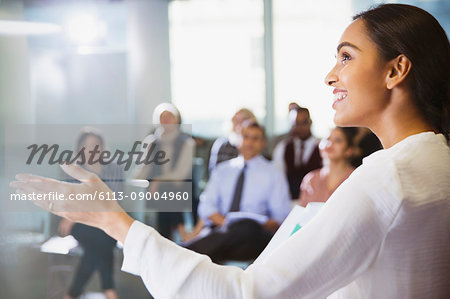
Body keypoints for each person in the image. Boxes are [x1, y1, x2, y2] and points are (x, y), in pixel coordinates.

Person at [12, 4, 450, 298]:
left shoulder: (385, 181)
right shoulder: (435, 162)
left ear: (396, 70)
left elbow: (244, 294)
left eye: (347, 57)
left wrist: (117, 222)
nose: (330, 75)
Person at [186, 121, 291, 262]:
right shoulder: (222, 170)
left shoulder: (274, 174)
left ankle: (185, 252)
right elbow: (206, 207)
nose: (250, 142)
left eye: (255, 138)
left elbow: (280, 217)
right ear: (238, 140)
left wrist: (256, 224)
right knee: (226, 232)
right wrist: (226, 223)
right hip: (222, 231)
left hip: (254, 238)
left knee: (246, 227)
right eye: (246, 137)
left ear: (263, 143)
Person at [58, 128, 122, 299]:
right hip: (82, 224)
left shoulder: (114, 168)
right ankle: (109, 290)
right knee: (102, 242)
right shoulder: (74, 169)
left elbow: (110, 201)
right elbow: (69, 200)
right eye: (85, 146)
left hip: (106, 222)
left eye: (94, 145)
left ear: (102, 147)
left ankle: (71, 295)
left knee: (96, 246)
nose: (90, 150)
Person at [132, 103, 195, 241]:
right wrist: (132, 184)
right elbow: (144, 168)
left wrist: (158, 180)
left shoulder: (187, 143)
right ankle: (182, 232)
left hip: (179, 186)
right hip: (155, 191)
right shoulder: (151, 142)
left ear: (177, 119)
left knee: (167, 190)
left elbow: (181, 174)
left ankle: (166, 236)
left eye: (169, 116)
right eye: (162, 117)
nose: (166, 120)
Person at [298, 127, 357, 207]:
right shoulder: (310, 180)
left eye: (337, 140)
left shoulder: (356, 178)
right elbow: (302, 215)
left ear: (349, 150)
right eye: (326, 139)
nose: (329, 144)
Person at [272, 106, 323, 198]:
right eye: (296, 124)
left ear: (310, 122)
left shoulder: (321, 146)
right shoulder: (283, 147)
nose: (301, 127)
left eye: (304, 123)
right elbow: (278, 176)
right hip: (290, 199)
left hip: (316, 199)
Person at [208, 108, 256, 174]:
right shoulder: (223, 144)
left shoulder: (257, 144)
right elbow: (216, 172)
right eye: (237, 120)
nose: (240, 124)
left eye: (244, 120)